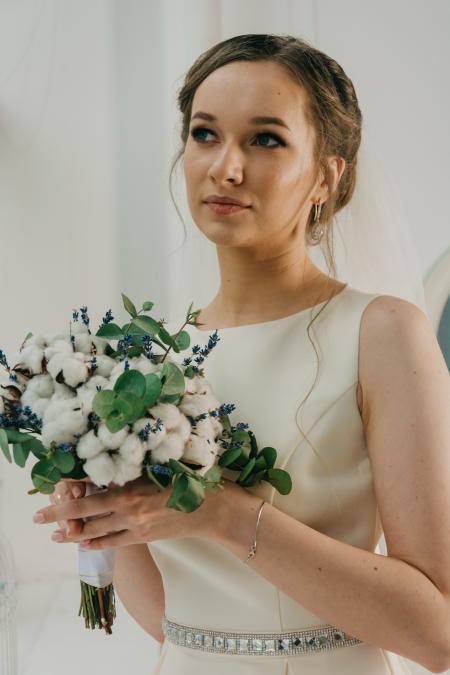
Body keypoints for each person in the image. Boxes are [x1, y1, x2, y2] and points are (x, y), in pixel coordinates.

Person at [46, 34, 450, 674]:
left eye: (266, 139)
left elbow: (438, 632)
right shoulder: (150, 360)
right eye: (205, 134)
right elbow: (177, 621)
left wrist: (225, 516)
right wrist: (108, 517)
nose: (225, 167)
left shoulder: (381, 333)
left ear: (326, 175)